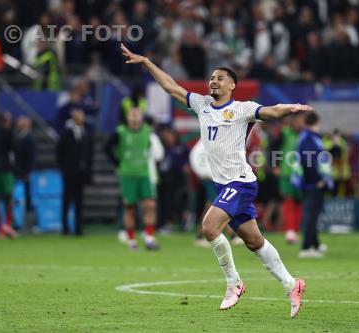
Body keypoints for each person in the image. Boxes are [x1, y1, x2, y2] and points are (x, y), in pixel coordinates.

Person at [121, 43, 310, 318]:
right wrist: (148, 62)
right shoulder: (202, 105)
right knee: (254, 242)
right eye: (211, 77)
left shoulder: (243, 109)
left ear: (232, 85)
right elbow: (171, 87)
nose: (213, 81)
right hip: (225, 184)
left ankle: (234, 283)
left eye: (220, 78)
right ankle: (292, 284)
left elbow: (271, 111)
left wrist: (291, 107)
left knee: (209, 228)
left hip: (241, 182)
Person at [104, 107, 160, 251]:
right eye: (132, 114)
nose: (135, 117)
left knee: (150, 205)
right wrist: (117, 163)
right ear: (127, 117)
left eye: (137, 114)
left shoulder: (147, 131)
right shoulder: (120, 132)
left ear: (141, 117)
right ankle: (131, 240)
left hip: (144, 174)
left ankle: (149, 238)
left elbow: (148, 149)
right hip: (128, 176)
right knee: (130, 209)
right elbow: (106, 148)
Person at [296, 112, 331, 258]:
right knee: (311, 215)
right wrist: (318, 180)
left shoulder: (308, 137)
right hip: (313, 183)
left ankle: (315, 244)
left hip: (310, 182)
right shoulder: (310, 138)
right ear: (317, 122)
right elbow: (309, 161)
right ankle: (306, 247)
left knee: (313, 214)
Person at [56, 109, 92, 236]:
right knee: (67, 200)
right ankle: (65, 228)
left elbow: (89, 155)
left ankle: (78, 228)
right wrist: (63, 168)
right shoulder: (66, 133)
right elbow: (59, 152)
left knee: (79, 201)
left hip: (81, 173)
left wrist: (88, 171)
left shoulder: (86, 133)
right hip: (69, 173)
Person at [278, 115, 303, 244]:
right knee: (288, 201)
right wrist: (275, 165)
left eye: (301, 121)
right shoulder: (285, 133)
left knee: (298, 203)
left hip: (301, 175)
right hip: (287, 174)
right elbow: (274, 148)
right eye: (298, 120)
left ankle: (295, 231)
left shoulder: (304, 135)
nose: (300, 123)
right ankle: (289, 231)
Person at [14, 116, 36, 212]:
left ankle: (27, 209)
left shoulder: (29, 138)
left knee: (26, 190)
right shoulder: (19, 135)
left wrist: (28, 171)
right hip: (19, 168)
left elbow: (30, 156)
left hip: (25, 169)